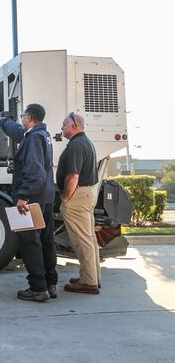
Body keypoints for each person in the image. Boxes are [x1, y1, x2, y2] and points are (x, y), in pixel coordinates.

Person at [0, 104, 57, 302]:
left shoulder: (34, 138)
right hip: (45, 197)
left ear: (30, 118)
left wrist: (23, 196)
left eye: (23, 115)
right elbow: (18, 133)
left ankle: (37, 288)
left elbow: (35, 172)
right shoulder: (40, 134)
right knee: (46, 241)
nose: (21, 118)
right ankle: (50, 284)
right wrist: (0, 121)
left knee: (30, 242)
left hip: (32, 200)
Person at [57, 112, 101, 294]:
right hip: (88, 193)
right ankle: (91, 277)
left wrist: (66, 198)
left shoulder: (76, 145)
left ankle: (89, 282)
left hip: (78, 195)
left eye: (64, 124)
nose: (62, 127)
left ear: (74, 126)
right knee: (89, 238)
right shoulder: (86, 142)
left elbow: (73, 175)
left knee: (82, 240)